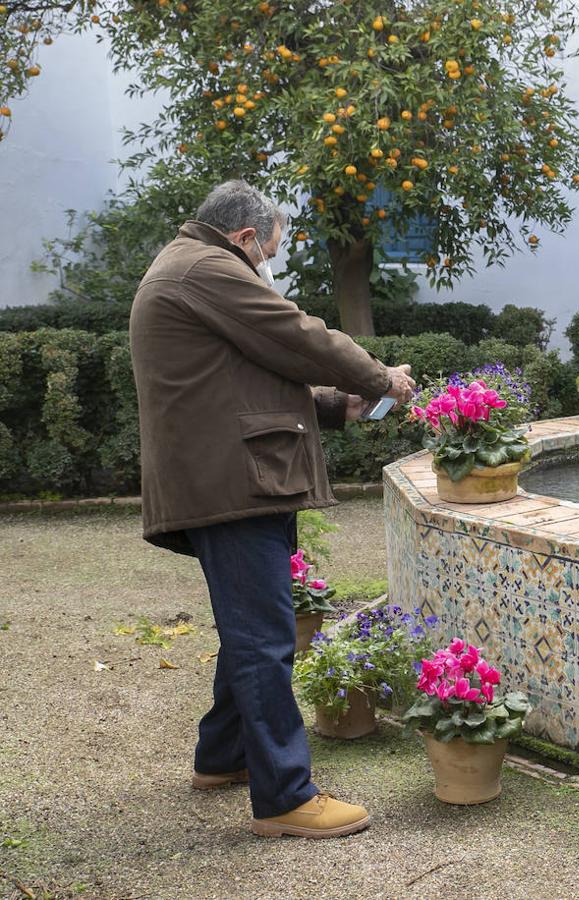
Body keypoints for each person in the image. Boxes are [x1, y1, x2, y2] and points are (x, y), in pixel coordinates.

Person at [129, 180, 417, 839]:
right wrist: (378, 379)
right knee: (264, 638)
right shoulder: (208, 266)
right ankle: (286, 797)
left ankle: (222, 757)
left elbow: (243, 378)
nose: (266, 271)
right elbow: (295, 335)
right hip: (232, 487)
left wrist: (336, 406)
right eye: (267, 256)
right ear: (245, 238)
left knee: (255, 628)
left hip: (230, 477)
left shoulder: (188, 268)